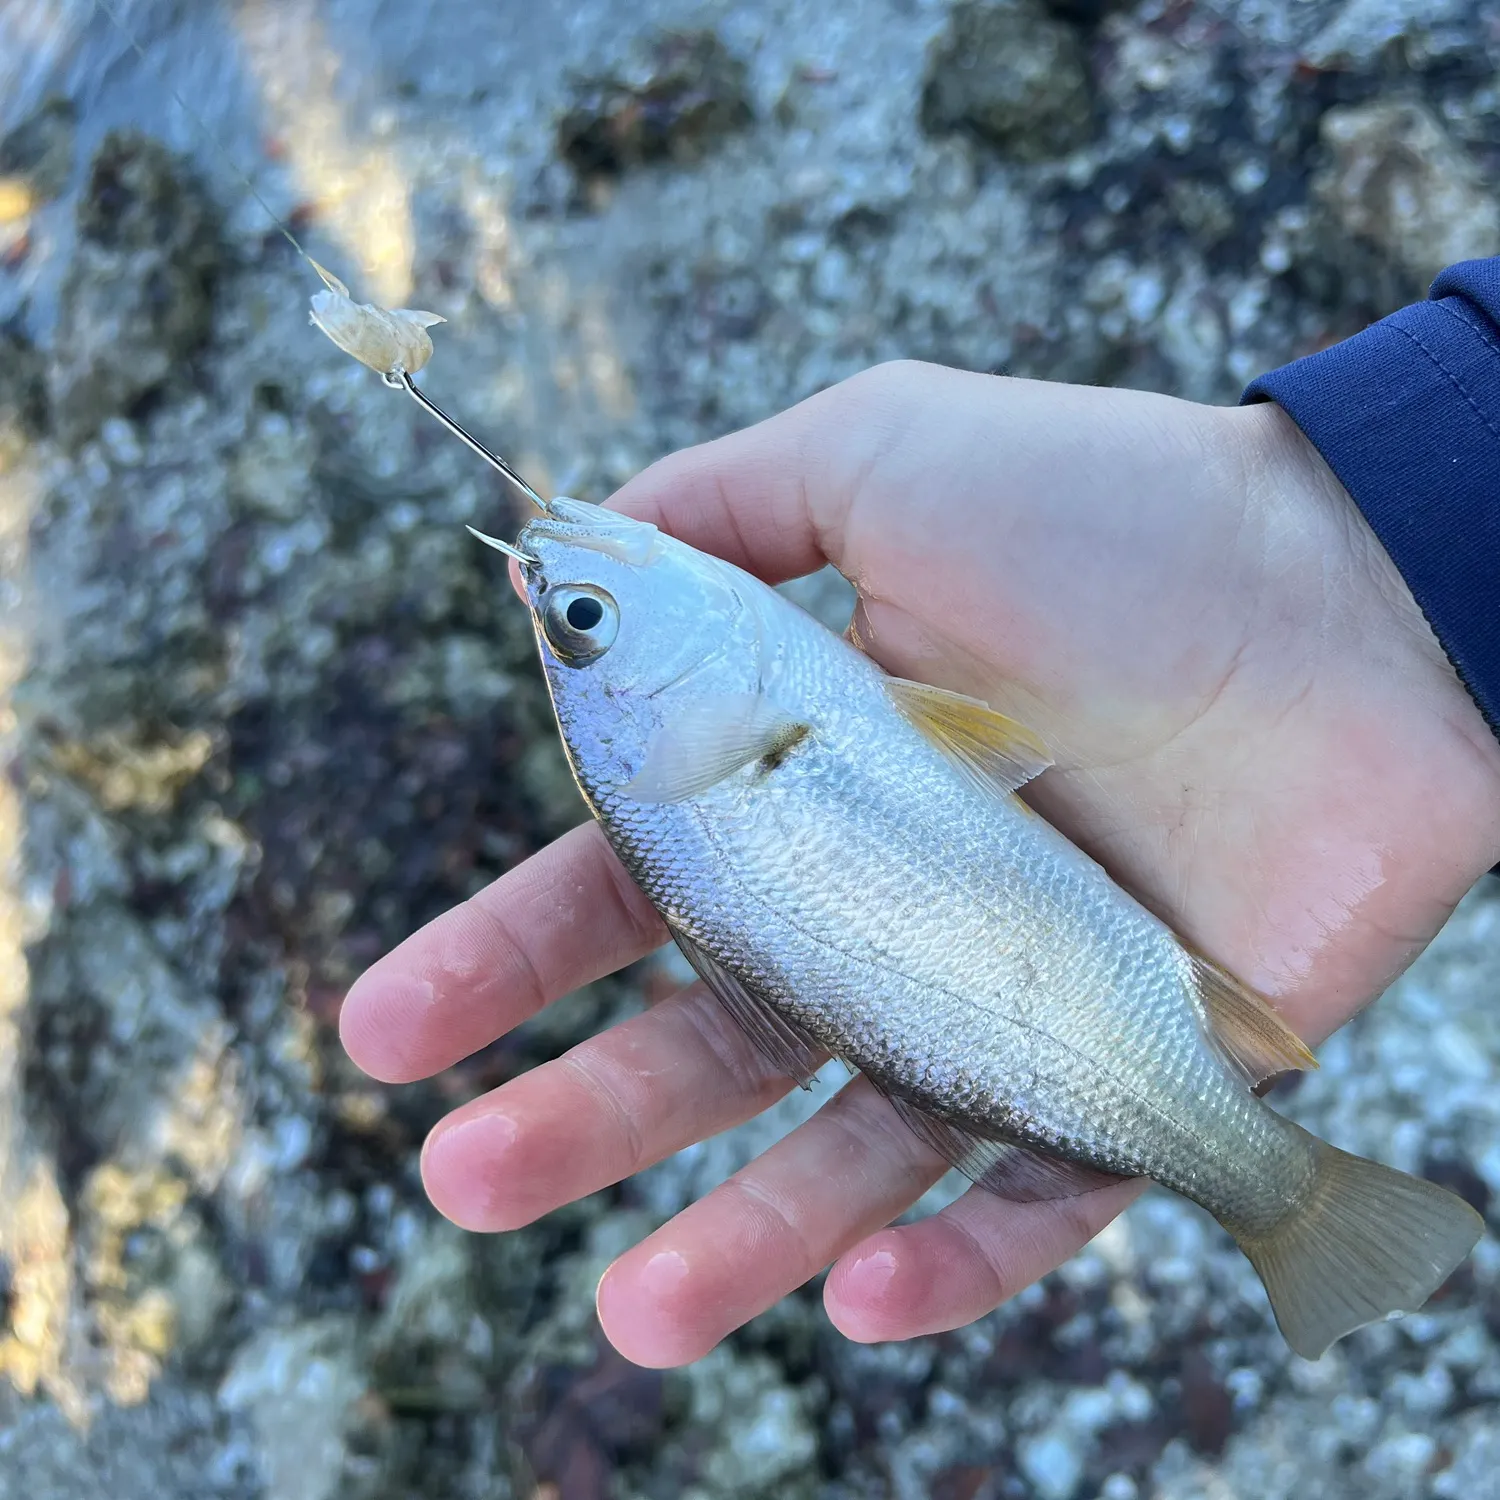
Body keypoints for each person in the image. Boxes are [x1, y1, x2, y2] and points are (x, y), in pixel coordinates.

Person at [338, 257, 1500, 1369]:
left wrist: (1361, 539)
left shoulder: (757, 731)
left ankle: (1281, 1197)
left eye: (575, 620)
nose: (579, 583)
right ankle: (1276, 1193)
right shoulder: (755, 722)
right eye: (585, 624)